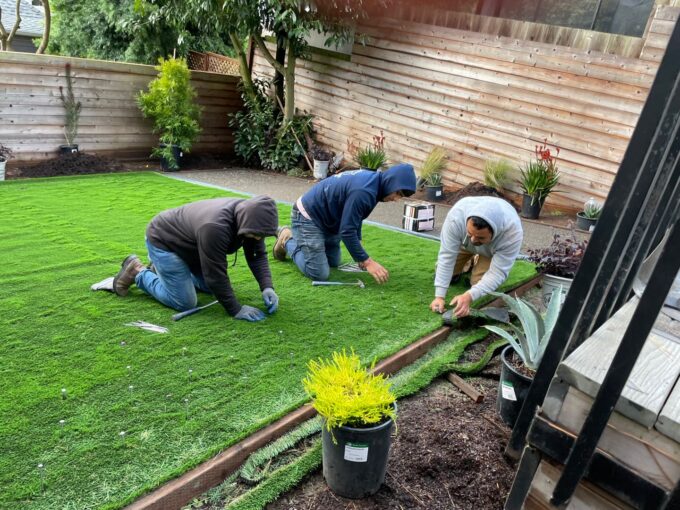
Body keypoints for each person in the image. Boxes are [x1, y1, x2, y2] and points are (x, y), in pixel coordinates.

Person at [113, 195, 280, 322]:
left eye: (262, 236)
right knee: (185, 302)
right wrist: (235, 309)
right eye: (256, 235)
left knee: (210, 288)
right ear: (246, 222)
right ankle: (138, 272)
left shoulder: (253, 218)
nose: (258, 239)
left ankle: (163, 271)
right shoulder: (215, 227)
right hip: (165, 241)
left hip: (192, 245)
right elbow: (214, 274)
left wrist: (267, 287)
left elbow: (257, 256)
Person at [272, 163, 417, 284]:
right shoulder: (365, 191)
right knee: (319, 273)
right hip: (308, 217)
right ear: (391, 182)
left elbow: (356, 216)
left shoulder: (374, 184)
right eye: (398, 193)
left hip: (329, 219)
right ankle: (287, 240)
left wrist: (360, 251)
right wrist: (367, 261)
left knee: (333, 262)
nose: (396, 199)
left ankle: (309, 243)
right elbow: (347, 231)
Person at [430, 196, 523, 318]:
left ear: (495, 232)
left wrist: (469, 296)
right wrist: (439, 296)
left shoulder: (512, 234)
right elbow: (447, 256)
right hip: (463, 244)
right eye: (470, 233)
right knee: (448, 276)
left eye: (480, 237)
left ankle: (479, 260)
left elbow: (497, 274)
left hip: (491, 252)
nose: (474, 240)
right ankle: (471, 261)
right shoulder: (456, 217)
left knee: (478, 285)